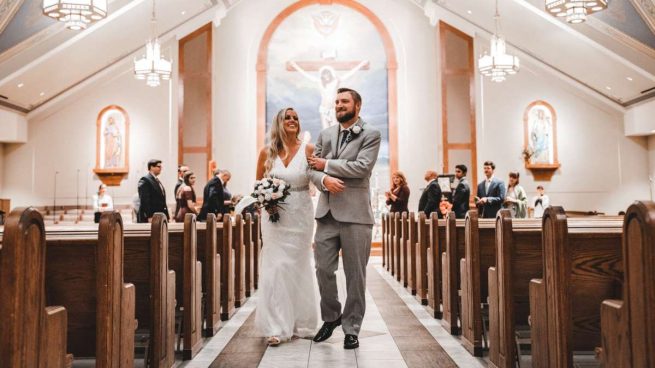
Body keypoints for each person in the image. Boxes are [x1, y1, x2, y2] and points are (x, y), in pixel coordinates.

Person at [307, 87, 381, 350]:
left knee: (355, 275)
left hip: (356, 215)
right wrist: (324, 179)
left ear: (357, 106)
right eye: (337, 101)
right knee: (323, 269)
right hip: (327, 213)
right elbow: (310, 168)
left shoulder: (371, 134)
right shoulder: (326, 134)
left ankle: (352, 327)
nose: (339, 105)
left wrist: (326, 166)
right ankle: (331, 316)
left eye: (344, 101)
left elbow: (362, 167)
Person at [255, 107, 319, 346]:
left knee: (298, 266)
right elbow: (258, 184)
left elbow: (319, 178)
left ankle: (298, 322)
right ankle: (275, 326)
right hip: (274, 218)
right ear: (278, 124)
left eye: (295, 118)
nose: (292, 121)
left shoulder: (309, 150)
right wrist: (265, 201)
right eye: (287, 118)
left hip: (301, 215)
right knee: (276, 268)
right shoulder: (266, 153)